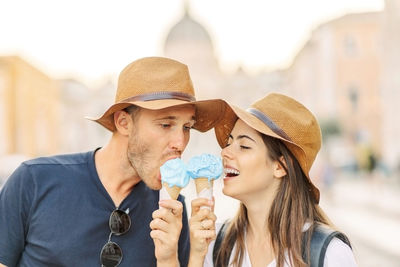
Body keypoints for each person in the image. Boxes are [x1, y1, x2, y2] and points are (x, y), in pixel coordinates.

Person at [0, 57, 226, 267]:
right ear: (124, 123)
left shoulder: (173, 210)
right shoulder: (34, 180)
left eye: (187, 127)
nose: (180, 142)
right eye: (165, 125)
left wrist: (172, 258)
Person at [188, 93, 357, 267]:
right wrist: (194, 256)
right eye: (229, 143)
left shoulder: (330, 253)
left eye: (244, 146)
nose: (224, 152)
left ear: (280, 166)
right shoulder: (215, 243)